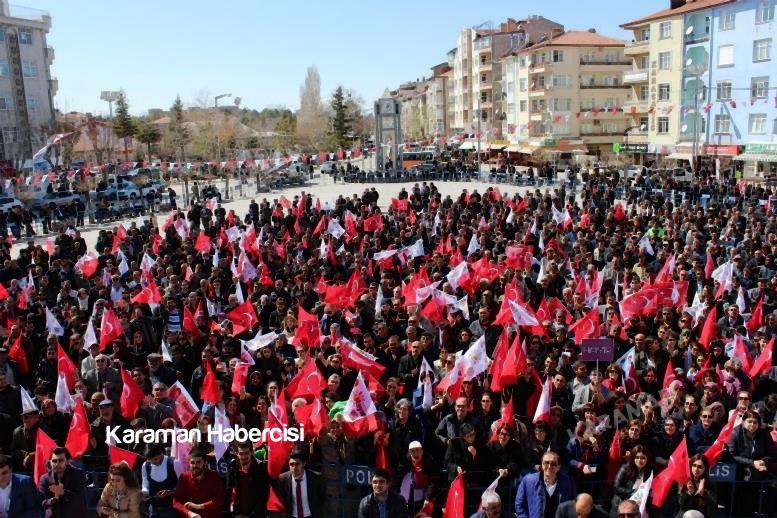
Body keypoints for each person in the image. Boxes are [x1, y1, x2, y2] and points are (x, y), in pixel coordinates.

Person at [515, 451, 577, 518]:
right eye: (546, 463)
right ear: (542, 465)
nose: (549, 466)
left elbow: (573, 504)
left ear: (559, 467)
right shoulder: (528, 481)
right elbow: (519, 504)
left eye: (553, 464)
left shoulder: (568, 482)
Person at [172, 448, 224, 518]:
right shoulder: (184, 477)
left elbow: (219, 499)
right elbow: (176, 502)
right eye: (192, 462)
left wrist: (199, 506)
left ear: (205, 462)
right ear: (189, 462)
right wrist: (189, 513)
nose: (195, 466)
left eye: (198, 462)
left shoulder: (214, 476)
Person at [275, 451, 326, 518]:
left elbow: (322, 498)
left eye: (297, 464)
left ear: (304, 464)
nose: (294, 468)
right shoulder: (283, 479)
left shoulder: (316, 478)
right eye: (291, 464)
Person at [38, 447, 87, 516]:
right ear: (50, 462)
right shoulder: (45, 478)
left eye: (60, 461)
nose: (57, 464)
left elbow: (80, 498)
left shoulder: (78, 474)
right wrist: (54, 499)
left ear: (67, 461)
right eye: (54, 461)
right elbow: (41, 501)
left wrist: (63, 492)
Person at [225, 441, 269, 518]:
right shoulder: (232, 467)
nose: (244, 456)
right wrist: (234, 514)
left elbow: (263, 495)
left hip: (255, 515)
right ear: (237, 453)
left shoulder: (261, 469)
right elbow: (229, 491)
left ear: (251, 452)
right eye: (241, 453)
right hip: (237, 514)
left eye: (246, 453)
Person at [140, 444, 178, 518]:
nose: (153, 462)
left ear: (161, 453)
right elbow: (145, 485)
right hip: (155, 509)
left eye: (155, 459)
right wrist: (144, 494)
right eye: (150, 460)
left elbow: (183, 486)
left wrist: (170, 492)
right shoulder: (145, 465)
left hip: (173, 508)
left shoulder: (173, 463)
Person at [0, 453, 42, 518]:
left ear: (11, 470)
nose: (1, 478)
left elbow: (34, 510)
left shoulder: (24, 483)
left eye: (4, 473)